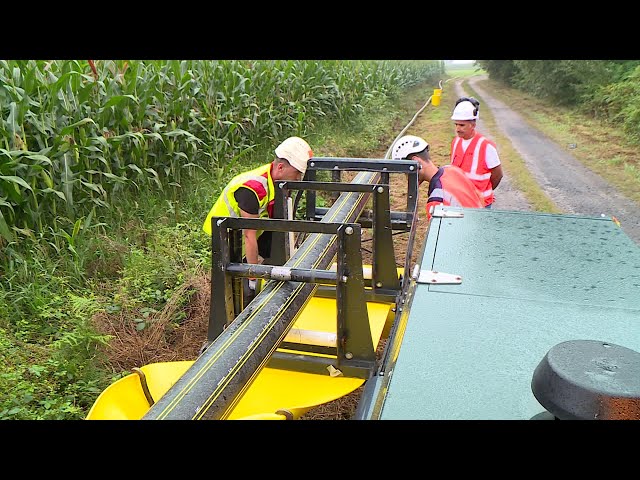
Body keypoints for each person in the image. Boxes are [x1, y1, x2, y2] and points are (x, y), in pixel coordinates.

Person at [203, 136, 313, 298]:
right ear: (281, 167)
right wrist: (253, 276)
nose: (298, 178)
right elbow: (249, 235)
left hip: (247, 232)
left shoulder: (276, 180)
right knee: (240, 290)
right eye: (297, 173)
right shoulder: (253, 188)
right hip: (226, 239)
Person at [391, 134, 484, 220]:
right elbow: (479, 197)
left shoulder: (436, 200)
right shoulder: (452, 170)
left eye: (406, 172)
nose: (407, 178)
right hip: (481, 224)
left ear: (416, 162)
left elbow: (440, 235)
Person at [449, 97, 503, 208]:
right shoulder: (455, 142)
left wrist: (485, 190)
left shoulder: (486, 146)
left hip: (481, 204)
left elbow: (498, 175)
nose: (458, 129)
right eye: (456, 124)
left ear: (473, 125)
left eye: (462, 125)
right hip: (460, 201)